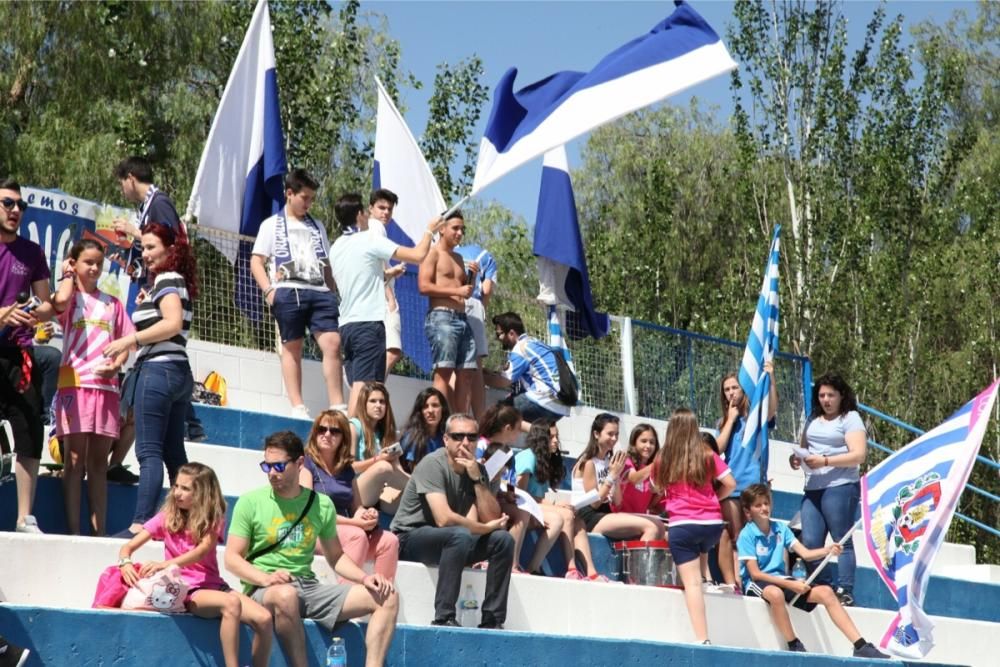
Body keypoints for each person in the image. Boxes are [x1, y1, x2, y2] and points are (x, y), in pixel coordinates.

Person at [225, 431, 398, 667]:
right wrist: (266, 578)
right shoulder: (250, 502)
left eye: (279, 466)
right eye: (267, 466)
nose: (272, 473)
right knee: (286, 595)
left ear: (299, 463)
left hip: (308, 587)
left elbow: (336, 557)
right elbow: (232, 559)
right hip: (265, 590)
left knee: (387, 597)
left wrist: (365, 578)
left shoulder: (321, 504)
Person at [116, 463, 273, 667]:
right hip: (186, 590)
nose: (177, 493)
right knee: (231, 604)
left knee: (265, 619)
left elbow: (201, 551)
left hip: (214, 586)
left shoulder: (213, 519)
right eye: (176, 487)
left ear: (202, 494)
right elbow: (128, 547)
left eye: (185, 488)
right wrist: (125, 562)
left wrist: (165, 564)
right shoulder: (166, 517)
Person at [104, 222, 197, 537]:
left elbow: (171, 323)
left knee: (149, 452)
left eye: (151, 247)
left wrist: (129, 341)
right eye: (143, 248)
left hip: (158, 372)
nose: (145, 254)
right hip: (177, 371)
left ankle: (140, 525)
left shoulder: (169, 279)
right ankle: (185, 523)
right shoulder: (167, 282)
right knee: (173, 452)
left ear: (171, 250)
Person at [390, 413, 514, 628]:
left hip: (451, 541)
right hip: (409, 538)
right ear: (446, 439)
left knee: (503, 540)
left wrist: (477, 479)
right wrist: (483, 527)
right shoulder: (433, 463)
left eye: (471, 437)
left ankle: (492, 619)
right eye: (458, 436)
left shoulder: (478, 470)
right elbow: (444, 519)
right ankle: (444, 616)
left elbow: (493, 517)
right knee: (459, 535)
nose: (465, 442)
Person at [737, 484, 889, 658]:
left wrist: (828, 550)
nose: (764, 508)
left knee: (826, 592)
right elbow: (755, 574)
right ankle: (793, 644)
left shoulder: (780, 528)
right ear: (748, 511)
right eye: (758, 505)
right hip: (757, 583)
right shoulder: (746, 535)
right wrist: (790, 584)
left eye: (766, 503)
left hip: (781, 578)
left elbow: (806, 554)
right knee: (775, 594)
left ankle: (860, 645)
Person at [329, 193, 445, 416]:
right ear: (361, 215)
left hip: (346, 325)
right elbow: (418, 255)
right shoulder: (370, 239)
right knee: (363, 388)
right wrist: (430, 230)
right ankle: (349, 440)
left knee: (359, 385)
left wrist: (387, 275)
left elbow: (364, 277)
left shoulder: (337, 247)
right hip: (368, 324)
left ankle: (357, 437)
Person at [51, 239, 133, 535]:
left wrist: (118, 362)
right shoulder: (69, 298)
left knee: (99, 461)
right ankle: (74, 531)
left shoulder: (113, 303)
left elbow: (127, 340)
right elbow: (56, 304)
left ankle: (97, 533)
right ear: (74, 264)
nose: (95, 268)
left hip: (106, 387)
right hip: (74, 384)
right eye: (88, 262)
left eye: (99, 263)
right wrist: (65, 276)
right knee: (74, 460)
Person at [250, 169, 345, 419]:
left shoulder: (318, 226)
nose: (309, 203)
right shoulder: (271, 225)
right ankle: (298, 407)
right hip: (288, 291)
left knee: (333, 343)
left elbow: (326, 262)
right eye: (305, 197)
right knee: (293, 347)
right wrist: (269, 291)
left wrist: (332, 291)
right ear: (289, 194)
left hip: (319, 291)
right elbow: (256, 261)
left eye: (312, 198)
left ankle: (338, 406)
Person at [651, 408, 735, 645]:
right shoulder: (707, 454)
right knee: (700, 562)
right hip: (712, 525)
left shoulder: (662, 458)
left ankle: (702, 638)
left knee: (692, 584)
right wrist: (713, 500)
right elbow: (730, 483)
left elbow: (656, 488)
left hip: (683, 524)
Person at [0, 179, 55, 534]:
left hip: (20, 355)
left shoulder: (33, 252)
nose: (16, 211)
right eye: (7, 203)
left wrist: (36, 314)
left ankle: (24, 518)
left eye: (21, 206)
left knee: (30, 431)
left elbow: (47, 303)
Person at [789, 373, 866, 606]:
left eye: (831, 395)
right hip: (813, 487)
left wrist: (825, 461)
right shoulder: (813, 418)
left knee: (841, 538)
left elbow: (858, 455)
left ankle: (845, 589)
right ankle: (825, 585)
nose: (826, 399)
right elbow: (804, 448)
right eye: (822, 395)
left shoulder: (850, 418)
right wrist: (796, 459)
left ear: (841, 396)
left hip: (840, 486)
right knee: (810, 540)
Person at [299, 410, 398, 580]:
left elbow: (356, 507)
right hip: (314, 530)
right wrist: (354, 522)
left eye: (334, 431)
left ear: (343, 437)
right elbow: (309, 510)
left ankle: (381, 600)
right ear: (315, 433)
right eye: (322, 429)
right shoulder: (306, 464)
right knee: (356, 536)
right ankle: (348, 598)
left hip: (344, 530)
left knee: (390, 541)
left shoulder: (347, 469)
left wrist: (367, 515)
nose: (327, 434)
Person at [714, 363, 778, 587]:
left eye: (735, 388)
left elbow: (771, 410)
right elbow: (717, 449)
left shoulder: (757, 417)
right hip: (733, 487)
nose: (731, 392)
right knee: (736, 537)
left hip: (756, 487)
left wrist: (770, 378)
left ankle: (756, 579)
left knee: (756, 536)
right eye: (727, 389)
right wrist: (730, 421)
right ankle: (737, 582)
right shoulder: (723, 423)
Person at [475, 404, 557, 575]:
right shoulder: (481, 446)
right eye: (518, 429)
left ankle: (513, 563)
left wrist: (509, 494)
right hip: (480, 498)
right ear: (507, 428)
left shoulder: (509, 453)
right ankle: (506, 563)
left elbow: (510, 481)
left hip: (498, 497)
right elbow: (478, 475)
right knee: (520, 515)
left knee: (523, 513)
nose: (520, 433)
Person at [515, 419, 601, 580]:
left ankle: (590, 572)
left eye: (557, 437)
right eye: (551, 437)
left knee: (578, 522)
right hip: (525, 506)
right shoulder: (528, 457)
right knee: (566, 515)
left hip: (538, 505)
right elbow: (521, 493)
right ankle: (569, 568)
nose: (555, 441)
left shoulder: (544, 460)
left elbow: (541, 493)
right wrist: (555, 504)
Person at [571, 413, 664, 546]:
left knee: (659, 526)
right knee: (651, 527)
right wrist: (612, 476)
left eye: (617, 434)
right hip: (588, 516)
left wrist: (617, 481)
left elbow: (617, 501)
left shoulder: (609, 461)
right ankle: (638, 567)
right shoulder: (588, 462)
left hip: (605, 513)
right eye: (610, 434)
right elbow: (594, 503)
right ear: (596, 434)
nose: (614, 438)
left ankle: (638, 565)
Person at [417, 211, 477, 413]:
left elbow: (465, 292)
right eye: (455, 228)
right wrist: (456, 290)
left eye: (462, 229)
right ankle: (438, 421)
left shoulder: (459, 258)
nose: (460, 233)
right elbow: (424, 287)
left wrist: (472, 278)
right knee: (444, 371)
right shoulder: (432, 253)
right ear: (441, 229)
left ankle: (460, 421)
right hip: (442, 317)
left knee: (467, 373)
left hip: (462, 317)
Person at [486, 311, 570, 430]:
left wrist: (478, 377)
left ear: (511, 333)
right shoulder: (535, 343)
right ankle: (539, 434)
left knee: (500, 412)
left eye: (499, 334)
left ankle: (533, 432)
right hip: (561, 408)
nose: (498, 339)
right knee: (514, 404)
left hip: (543, 402)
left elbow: (503, 381)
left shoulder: (521, 348)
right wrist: (488, 373)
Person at [454, 234, 498, 420]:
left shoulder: (447, 252)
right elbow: (486, 290)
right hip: (473, 303)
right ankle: (479, 421)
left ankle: (454, 417)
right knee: (475, 367)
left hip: (447, 303)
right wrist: (482, 308)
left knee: (451, 365)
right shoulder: (484, 255)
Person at [350, 381, 408, 513]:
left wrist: (416, 482)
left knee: (418, 488)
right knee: (383, 467)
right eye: (373, 401)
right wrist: (378, 459)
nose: (378, 406)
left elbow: (397, 470)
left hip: (383, 494)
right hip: (357, 492)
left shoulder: (388, 433)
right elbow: (350, 467)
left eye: (382, 402)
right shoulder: (354, 426)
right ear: (363, 404)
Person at [366, 189, 406, 375]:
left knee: (381, 351)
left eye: (389, 209)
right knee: (392, 350)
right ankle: (371, 387)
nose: (386, 212)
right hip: (382, 299)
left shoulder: (367, 229)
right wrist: (390, 298)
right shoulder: (375, 227)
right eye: (381, 207)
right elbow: (378, 260)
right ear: (370, 208)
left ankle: (370, 388)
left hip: (371, 298)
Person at [613, 423, 661, 515]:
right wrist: (658, 463)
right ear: (634, 442)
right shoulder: (626, 461)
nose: (648, 446)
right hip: (621, 517)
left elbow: (651, 505)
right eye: (643, 441)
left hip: (640, 518)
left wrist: (660, 491)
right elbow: (634, 479)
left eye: (652, 442)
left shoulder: (652, 468)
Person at [399, 387, 449, 472]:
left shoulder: (447, 435)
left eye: (435, 405)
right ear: (420, 411)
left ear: (442, 409)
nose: (430, 410)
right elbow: (416, 472)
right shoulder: (412, 436)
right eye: (425, 407)